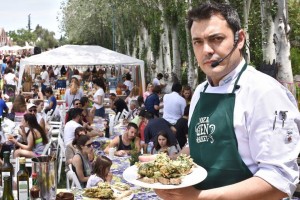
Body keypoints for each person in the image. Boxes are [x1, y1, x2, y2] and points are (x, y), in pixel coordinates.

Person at [155, 2, 300, 200]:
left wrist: (198, 197)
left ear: (239, 39)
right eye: (197, 41)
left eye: (216, 39)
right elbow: (200, 145)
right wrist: (166, 164)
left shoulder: (264, 93)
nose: (206, 50)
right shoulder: (200, 92)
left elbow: (280, 180)